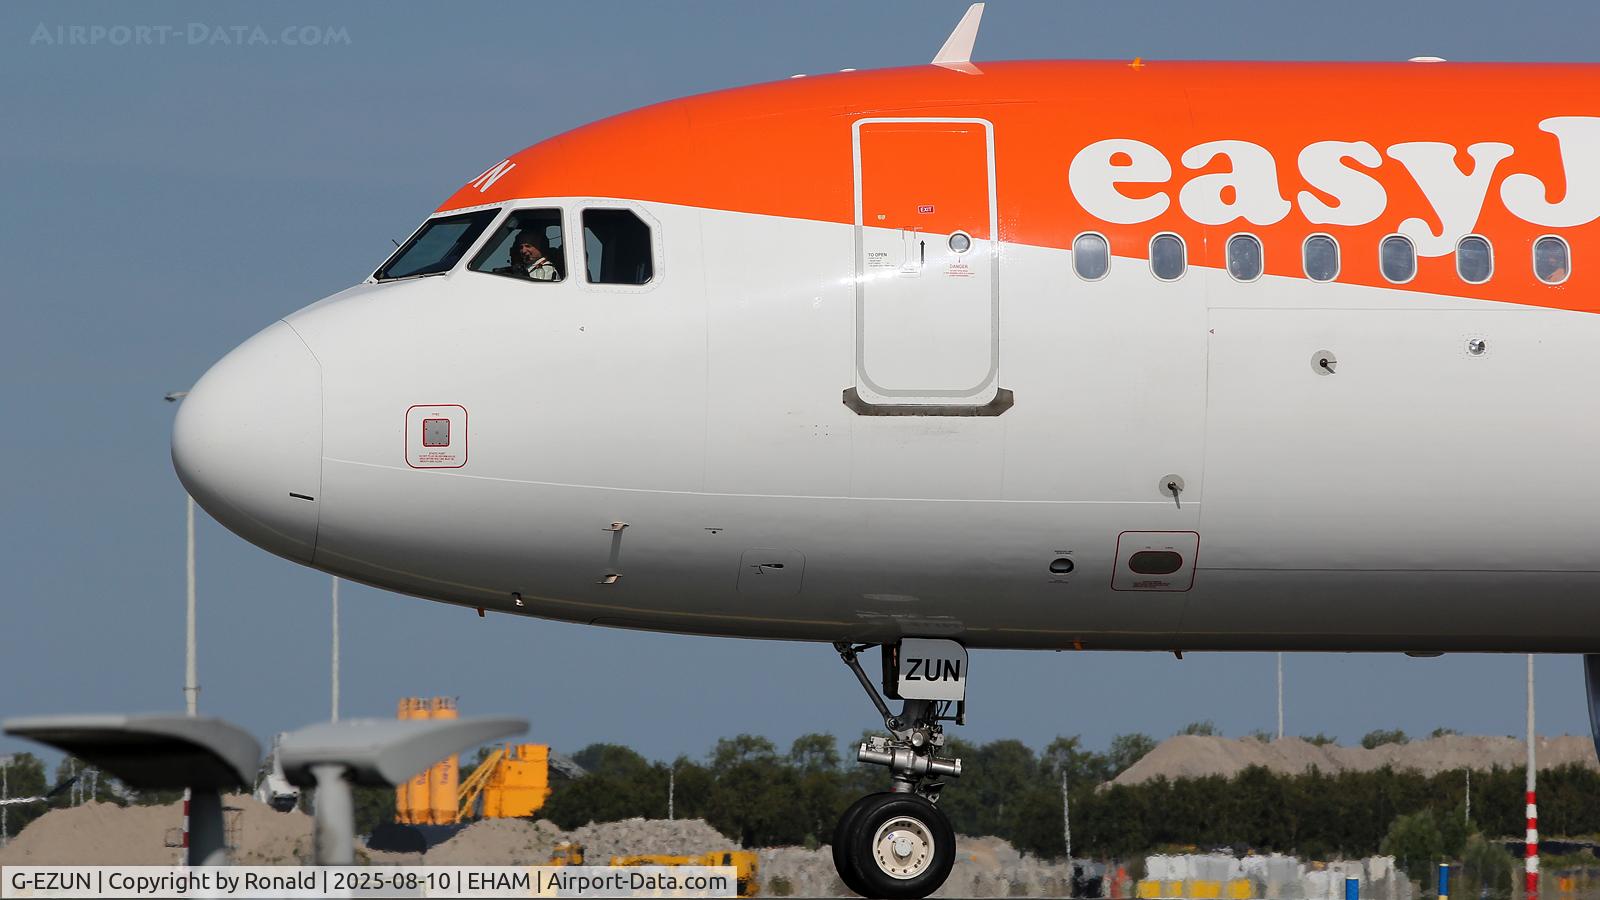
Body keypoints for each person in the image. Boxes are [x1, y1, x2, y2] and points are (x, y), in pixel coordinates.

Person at [493, 230, 559, 281]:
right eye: (521, 247)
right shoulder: (528, 267)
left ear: (540, 248)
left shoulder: (547, 269)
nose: (523, 251)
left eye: (528, 246)